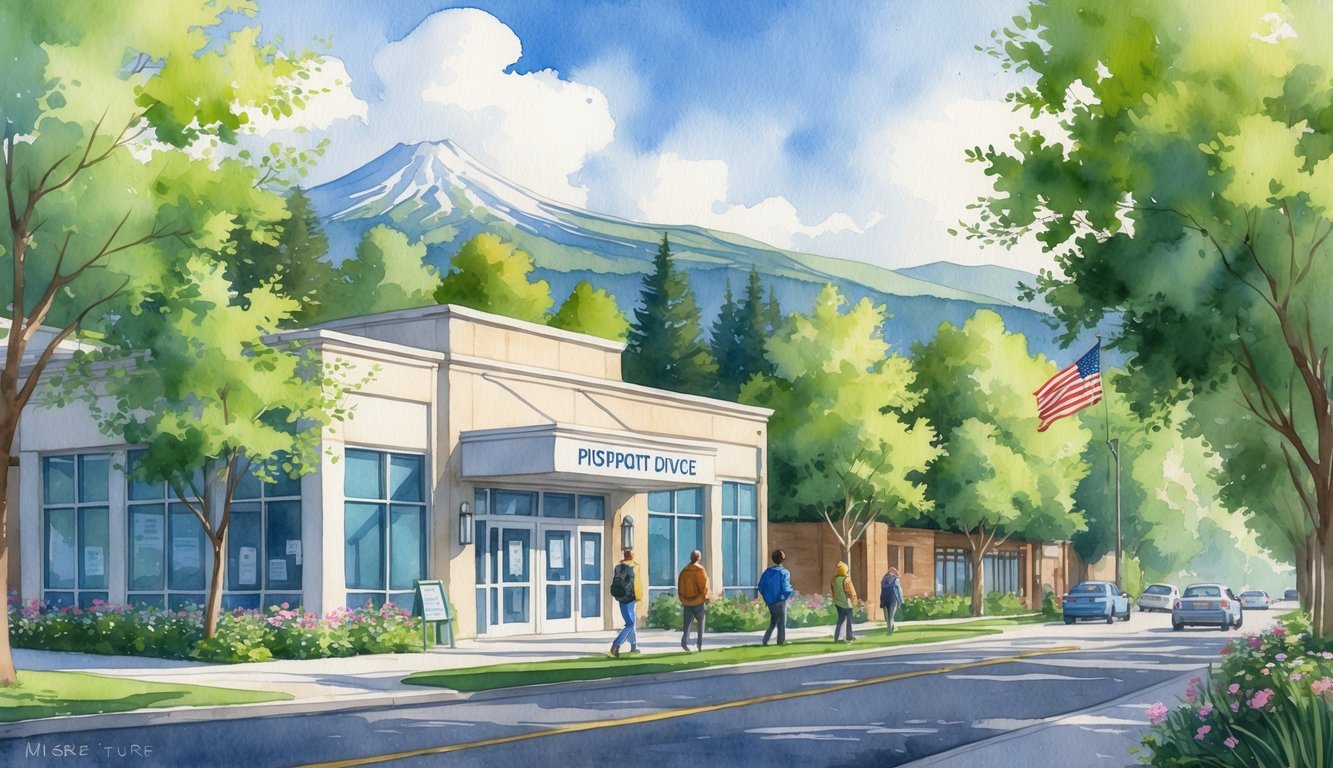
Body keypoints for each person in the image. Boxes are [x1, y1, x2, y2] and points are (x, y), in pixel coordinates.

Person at [609, 548, 645, 657]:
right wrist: (639, 597)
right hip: (630, 598)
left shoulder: (618, 567)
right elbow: (637, 584)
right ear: (631, 556)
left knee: (631, 621)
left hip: (620, 596)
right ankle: (616, 644)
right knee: (630, 624)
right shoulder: (634, 567)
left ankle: (634, 646)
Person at [757, 549, 793, 646]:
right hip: (780, 600)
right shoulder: (784, 572)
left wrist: (766, 597)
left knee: (773, 622)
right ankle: (781, 641)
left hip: (770, 601)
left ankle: (765, 640)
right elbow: (786, 588)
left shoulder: (767, 572)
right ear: (782, 559)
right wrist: (786, 595)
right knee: (781, 622)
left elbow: (760, 586)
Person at [677, 550, 710, 651]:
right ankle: (699, 643)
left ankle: (684, 642)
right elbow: (704, 586)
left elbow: (680, 586)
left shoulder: (684, 571)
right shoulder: (700, 570)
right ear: (699, 558)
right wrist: (705, 597)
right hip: (698, 601)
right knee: (701, 622)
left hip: (687, 601)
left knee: (687, 623)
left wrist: (682, 598)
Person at [832, 561, 859, 642]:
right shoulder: (846, 579)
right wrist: (854, 602)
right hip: (846, 603)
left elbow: (833, 590)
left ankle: (842, 636)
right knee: (847, 620)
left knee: (841, 619)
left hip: (837, 602)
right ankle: (843, 637)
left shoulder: (834, 579)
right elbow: (851, 592)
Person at [880, 565, 905, 633]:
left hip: (884, 598)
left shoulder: (883, 579)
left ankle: (889, 628)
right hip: (893, 598)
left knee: (887, 616)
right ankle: (890, 629)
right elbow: (899, 590)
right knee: (891, 615)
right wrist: (901, 601)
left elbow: (882, 589)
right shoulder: (895, 579)